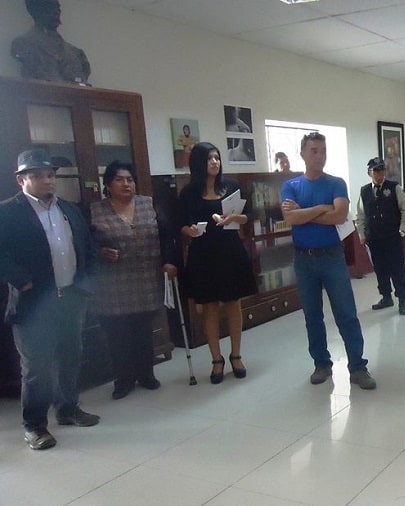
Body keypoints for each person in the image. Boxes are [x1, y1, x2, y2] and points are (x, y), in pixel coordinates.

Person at [0, 149, 99, 450]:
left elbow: (87, 246)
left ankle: (68, 409)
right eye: (38, 175)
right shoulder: (8, 212)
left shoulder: (68, 209)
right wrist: (21, 279)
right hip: (33, 304)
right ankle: (34, 425)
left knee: (71, 356)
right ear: (21, 180)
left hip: (71, 296)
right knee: (37, 368)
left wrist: (86, 281)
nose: (47, 180)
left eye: (50, 175)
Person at [280, 132, 376, 390]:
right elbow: (290, 219)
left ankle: (358, 367)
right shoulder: (291, 186)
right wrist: (323, 208)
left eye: (323, 151)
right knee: (312, 315)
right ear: (302, 153)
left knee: (346, 313)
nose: (319, 156)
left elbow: (339, 216)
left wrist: (304, 213)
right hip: (303, 259)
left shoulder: (336, 183)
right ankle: (321, 364)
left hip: (331, 257)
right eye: (314, 151)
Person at [90, 161, 178, 400]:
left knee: (143, 330)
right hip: (113, 284)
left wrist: (170, 261)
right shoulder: (95, 210)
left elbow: (167, 235)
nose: (126, 184)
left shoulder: (148, 204)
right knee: (118, 334)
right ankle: (124, 379)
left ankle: (146, 374)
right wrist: (100, 253)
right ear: (108, 184)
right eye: (119, 179)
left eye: (129, 179)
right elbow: (85, 245)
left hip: (146, 278)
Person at [178, 142, 257, 384]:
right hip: (203, 254)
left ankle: (236, 355)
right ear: (198, 163)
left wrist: (235, 217)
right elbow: (179, 224)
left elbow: (249, 215)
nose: (215, 162)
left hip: (229, 251)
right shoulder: (189, 192)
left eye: (217, 157)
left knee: (233, 303)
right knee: (209, 307)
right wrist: (189, 230)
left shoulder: (231, 186)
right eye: (209, 158)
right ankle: (216, 359)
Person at [356, 156, 405, 315]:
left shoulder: (394, 188)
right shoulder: (364, 191)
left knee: (397, 268)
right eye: (376, 170)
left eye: (382, 169)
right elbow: (360, 215)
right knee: (380, 269)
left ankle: (402, 300)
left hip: (392, 237)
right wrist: (362, 233)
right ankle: (386, 297)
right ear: (369, 173)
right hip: (374, 238)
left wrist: (402, 229)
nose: (379, 173)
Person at [11, 0, 91, 84]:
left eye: (57, 7)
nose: (56, 11)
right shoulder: (22, 44)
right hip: (39, 92)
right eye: (49, 6)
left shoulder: (77, 54)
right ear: (34, 10)